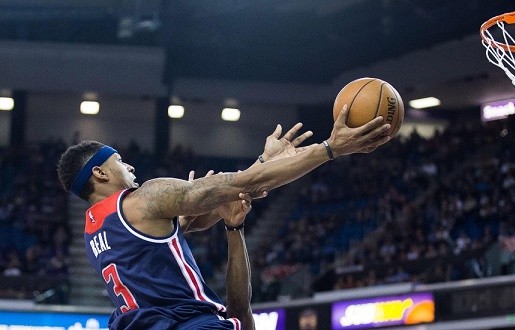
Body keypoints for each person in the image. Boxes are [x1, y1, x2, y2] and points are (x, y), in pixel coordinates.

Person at [56, 107, 391, 329]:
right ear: (99, 173)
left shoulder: (95, 231)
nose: (129, 166)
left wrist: (262, 162)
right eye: (119, 161)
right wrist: (332, 148)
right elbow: (243, 185)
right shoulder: (144, 199)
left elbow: (197, 217)